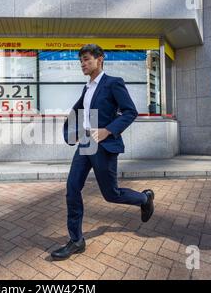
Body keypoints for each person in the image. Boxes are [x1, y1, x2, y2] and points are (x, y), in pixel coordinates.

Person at [51, 44, 155, 261]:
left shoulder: (113, 83)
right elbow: (82, 113)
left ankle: (144, 199)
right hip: (86, 143)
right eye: (81, 61)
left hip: (104, 145)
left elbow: (130, 112)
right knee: (72, 188)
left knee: (111, 194)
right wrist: (77, 131)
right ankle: (76, 240)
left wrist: (108, 130)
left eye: (87, 59)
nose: (83, 64)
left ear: (100, 59)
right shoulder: (87, 88)